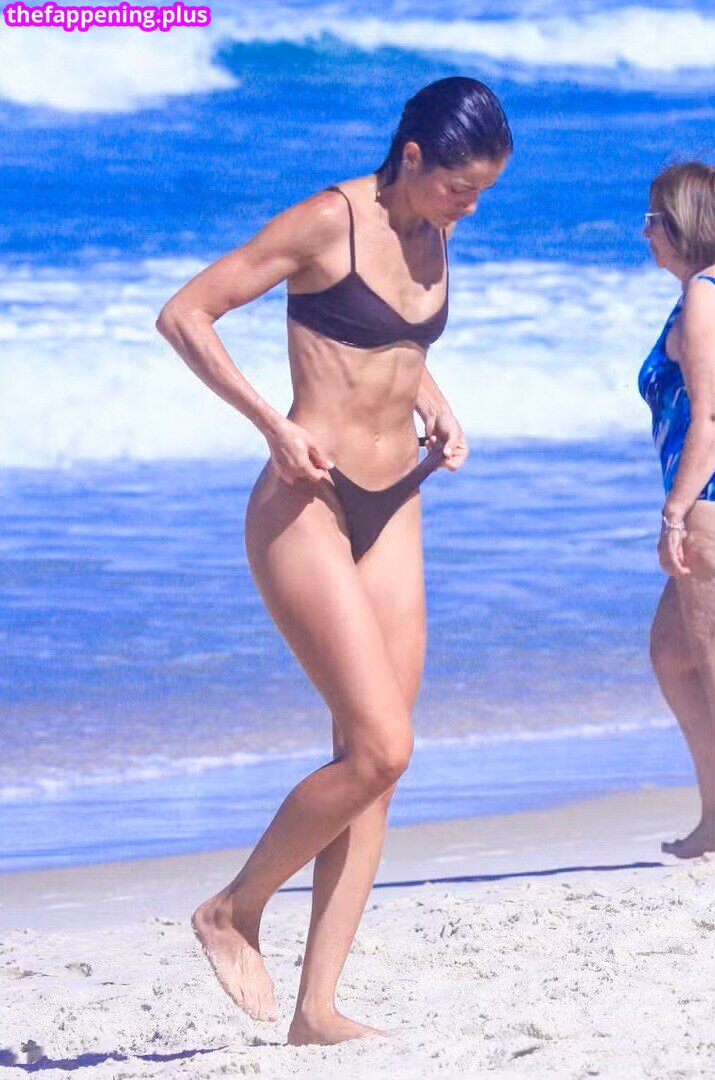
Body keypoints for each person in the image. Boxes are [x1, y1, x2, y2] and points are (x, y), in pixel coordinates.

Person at [156, 76, 512, 1044]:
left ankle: (314, 1009)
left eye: (482, 191)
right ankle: (231, 908)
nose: (469, 207)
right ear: (411, 155)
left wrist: (434, 399)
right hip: (305, 503)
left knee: (376, 767)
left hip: (396, 502)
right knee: (380, 745)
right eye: (459, 187)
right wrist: (271, 426)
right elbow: (185, 314)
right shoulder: (327, 220)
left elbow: (388, 339)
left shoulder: (435, 228)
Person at [639, 161, 715, 859]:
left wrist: (674, 514)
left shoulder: (703, 294)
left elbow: (708, 419)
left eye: (654, 220)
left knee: (710, 661)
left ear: (684, 225)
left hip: (707, 503)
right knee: (672, 652)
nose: (645, 232)